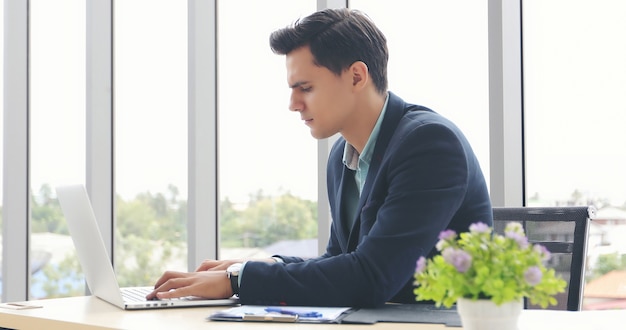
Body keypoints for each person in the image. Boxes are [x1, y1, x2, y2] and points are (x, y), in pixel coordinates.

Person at [146, 7, 492, 308]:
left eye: (306, 88)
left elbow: (371, 276)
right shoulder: (343, 154)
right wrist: (246, 268)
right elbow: (340, 261)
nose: (293, 104)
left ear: (357, 76)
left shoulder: (429, 144)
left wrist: (241, 280)